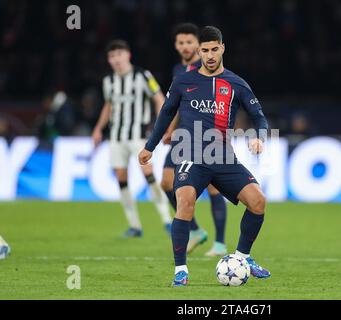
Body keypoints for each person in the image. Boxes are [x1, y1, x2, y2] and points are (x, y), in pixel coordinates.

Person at [139, 26, 271, 286]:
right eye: (205, 50)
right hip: (190, 153)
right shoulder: (183, 82)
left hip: (222, 156)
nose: (209, 55)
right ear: (199, 51)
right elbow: (166, 114)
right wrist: (150, 147)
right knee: (185, 200)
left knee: (258, 202)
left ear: (222, 48)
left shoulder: (236, 83)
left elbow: (259, 117)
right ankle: (180, 271)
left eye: (214, 49)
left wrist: (259, 137)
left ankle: (243, 257)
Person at [161, 23, 228, 257]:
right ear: (176, 46)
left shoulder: (207, 67)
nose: (185, 46)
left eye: (190, 42)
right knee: (167, 183)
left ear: (199, 46)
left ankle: (220, 243)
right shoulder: (178, 70)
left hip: (205, 135)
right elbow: (176, 104)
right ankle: (196, 230)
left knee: (212, 187)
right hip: (181, 136)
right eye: (181, 43)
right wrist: (169, 129)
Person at [93, 40, 171, 238]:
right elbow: (108, 106)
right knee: (121, 179)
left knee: (148, 174)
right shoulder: (108, 81)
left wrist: (162, 125)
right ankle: (134, 225)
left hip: (138, 136)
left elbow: (159, 98)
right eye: (112, 56)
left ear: (128, 55)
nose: (116, 59)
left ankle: (167, 220)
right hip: (116, 137)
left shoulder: (143, 76)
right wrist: (98, 128)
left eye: (119, 54)